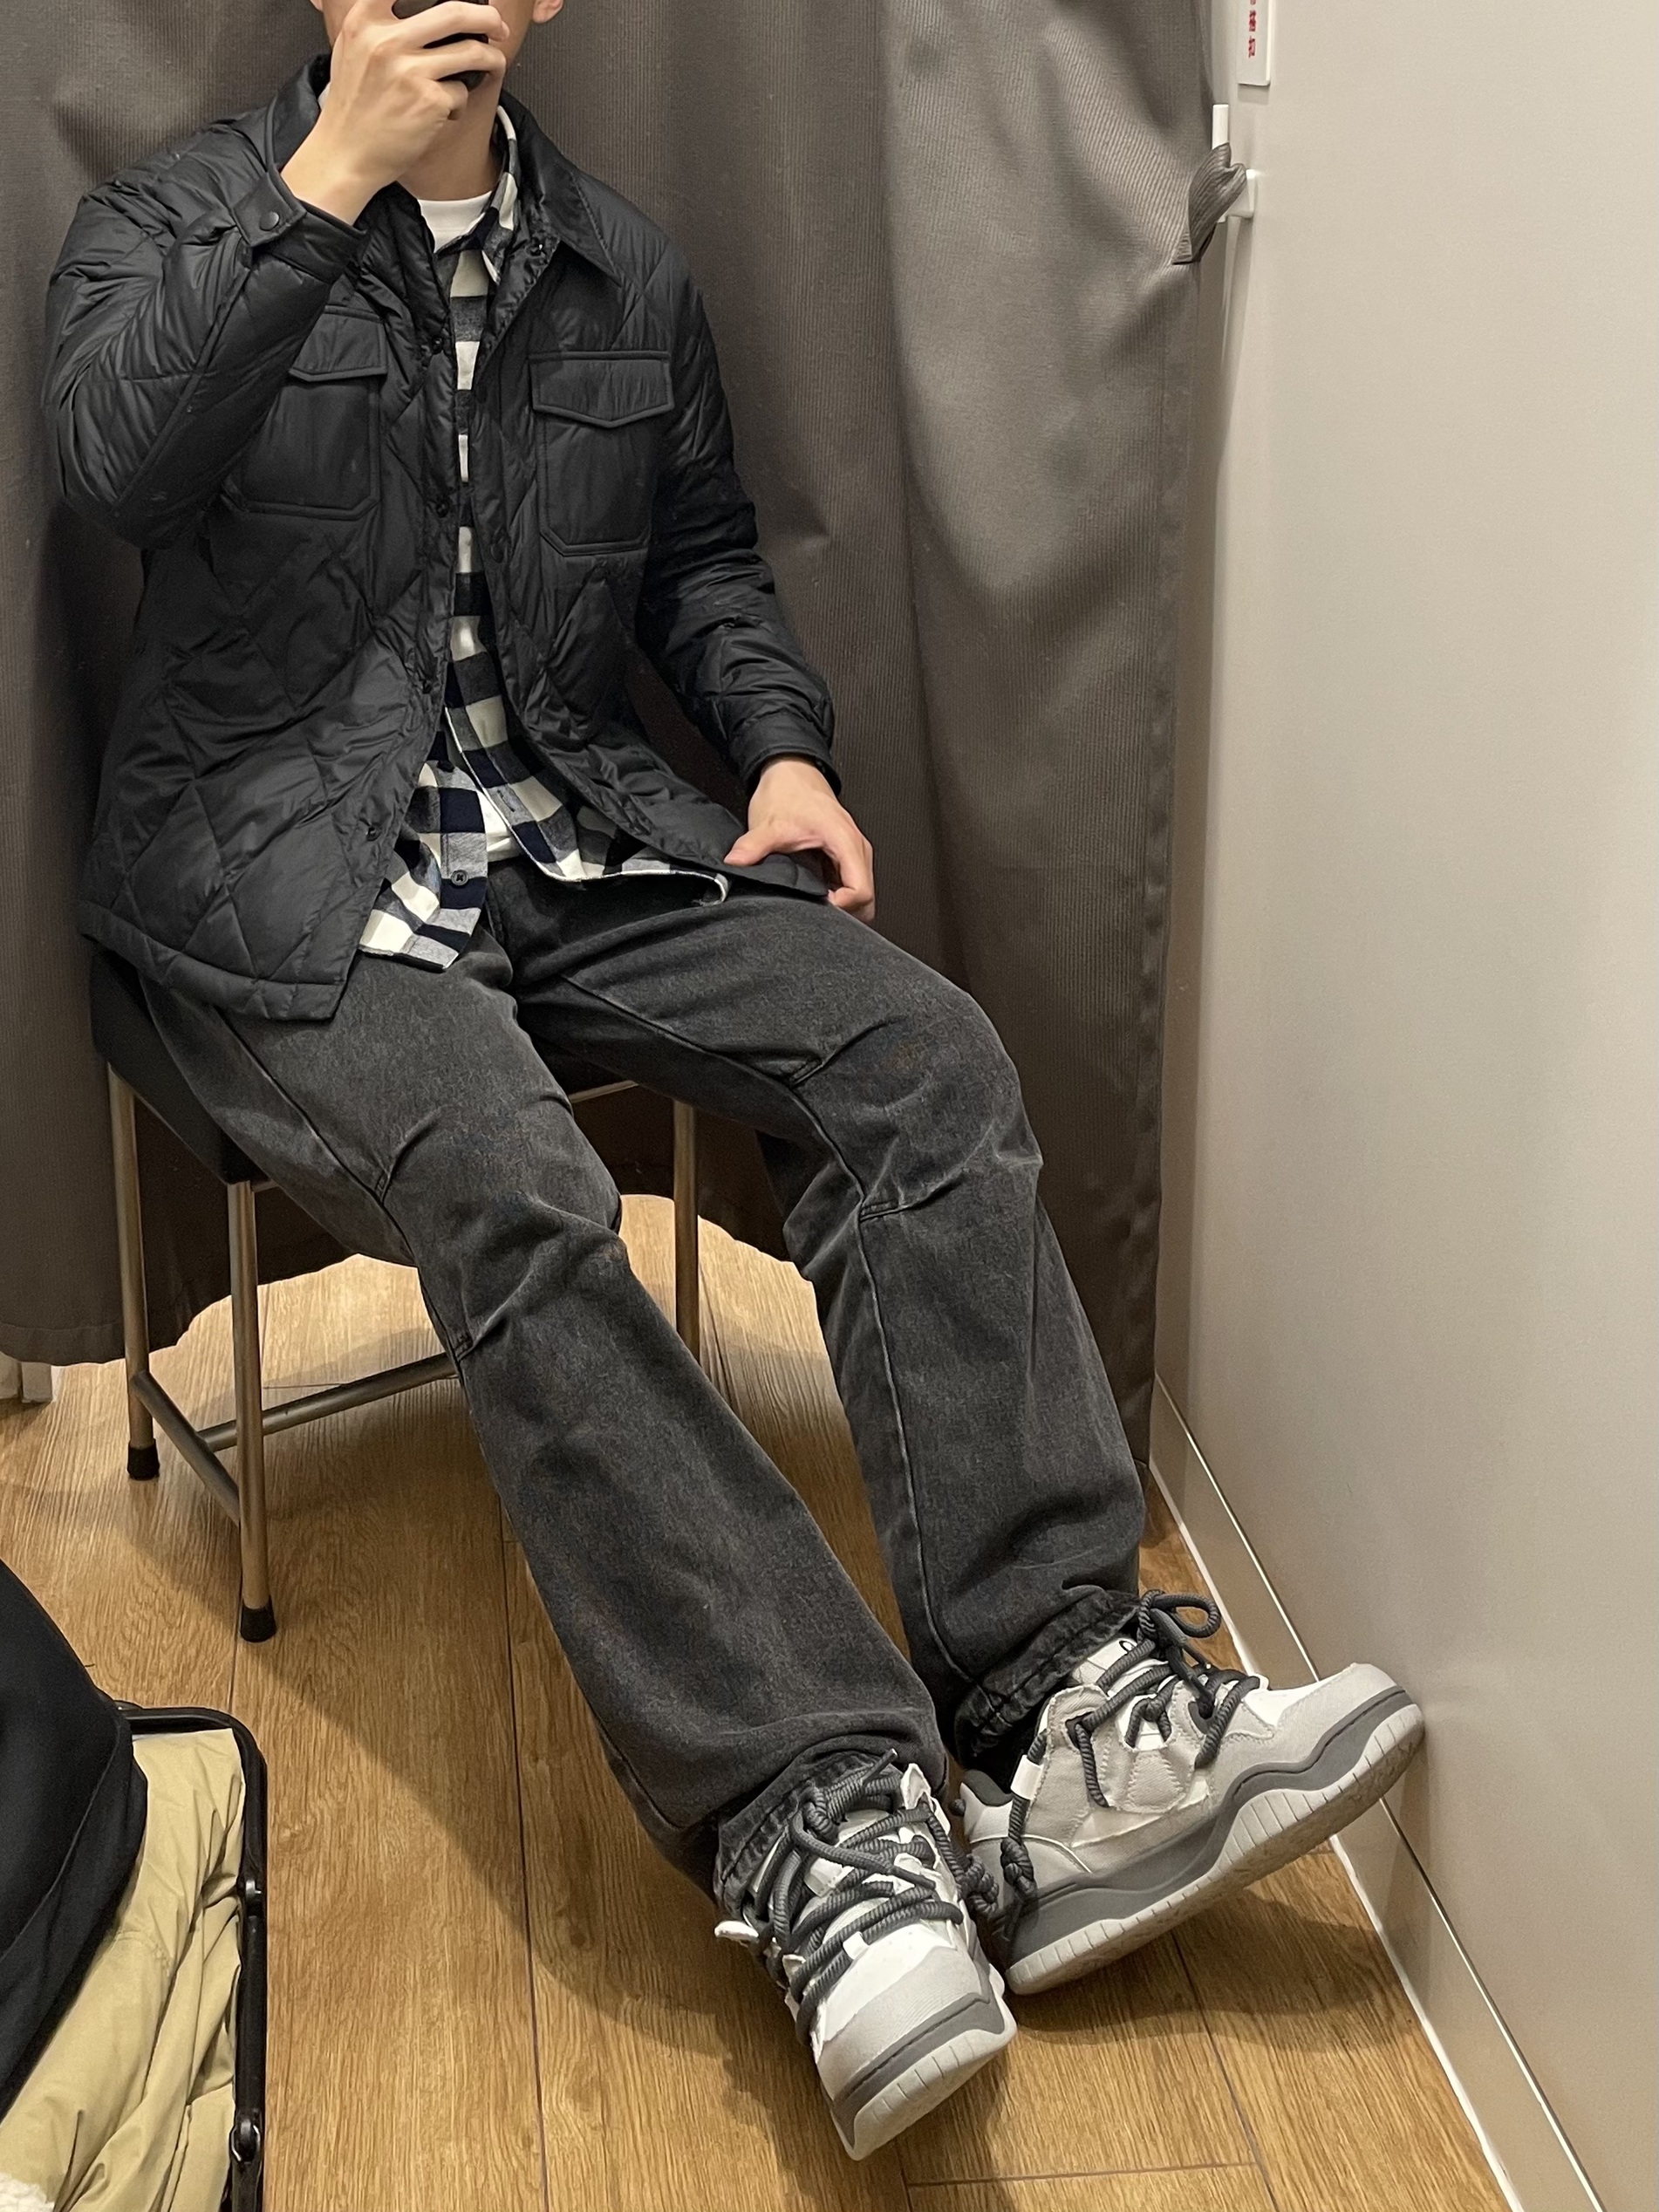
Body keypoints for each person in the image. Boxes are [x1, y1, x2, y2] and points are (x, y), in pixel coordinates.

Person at [43, 0, 1423, 2160]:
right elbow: (111, 464)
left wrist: (780, 749)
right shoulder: (180, 220)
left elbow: (698, 562)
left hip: (570, 835)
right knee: (509, 1175)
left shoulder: (621, 266)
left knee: (918, 1053)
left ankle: (1070, 1702)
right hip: (275, 881)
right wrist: (327, 183)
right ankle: (820, 1810)